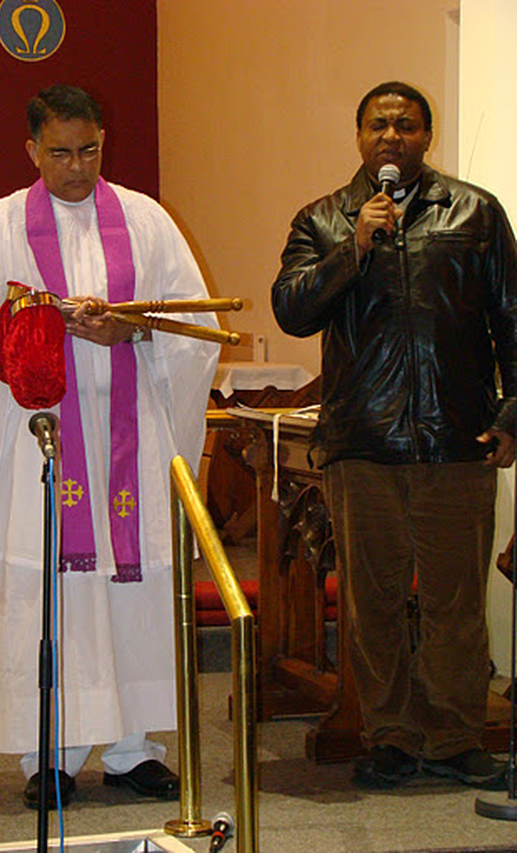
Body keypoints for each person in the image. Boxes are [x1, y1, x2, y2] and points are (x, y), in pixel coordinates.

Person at [0, 84, 219, 808]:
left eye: (89, 149)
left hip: (129, 441)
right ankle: (48, 756)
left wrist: (135, 327)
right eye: (59, 152)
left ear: (103, 142)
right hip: (43, 444)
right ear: (31, 148)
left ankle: (134, 750)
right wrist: (39, 317)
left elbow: (194, 324)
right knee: (49, 595)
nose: (75, 166)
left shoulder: (146, 221)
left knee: (134, 593)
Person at [272, 81, 517, 790]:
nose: (391, 136)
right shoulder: (323, 219)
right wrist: (353, 247)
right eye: (378, 125)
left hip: (457, 439)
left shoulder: (475, 212)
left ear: (425, 137)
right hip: (365, 440)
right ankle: (389, 735)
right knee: (372, 601)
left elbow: (512, 318)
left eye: (406, 125)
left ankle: (454, 734)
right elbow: (292, 308)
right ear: (358, 138)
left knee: (455, 600)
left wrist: (510, 416)